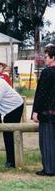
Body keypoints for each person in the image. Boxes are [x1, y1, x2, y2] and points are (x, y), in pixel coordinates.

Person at [32, 44, 55, 176]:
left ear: (53, 57)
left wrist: (35, 111)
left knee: (46, 141)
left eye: (46, 57)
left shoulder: (47, 72)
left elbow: (40, 94)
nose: (44, 59)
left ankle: (49, 169)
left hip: (47, 113)